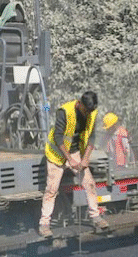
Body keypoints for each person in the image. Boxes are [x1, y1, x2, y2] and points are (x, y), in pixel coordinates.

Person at [39, 91, 109, 237]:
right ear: (79, 104)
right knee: (51, 190)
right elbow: (58, 137)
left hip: (76, 152)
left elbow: (92, 137)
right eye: (86, 111)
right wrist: (69, 159)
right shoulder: (65, 111)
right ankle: (44, 225)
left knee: (89, 183)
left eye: (91, 111)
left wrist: (85, 159)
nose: (88, 114)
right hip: (57, 154)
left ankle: (96, 216)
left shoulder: (92, 113)